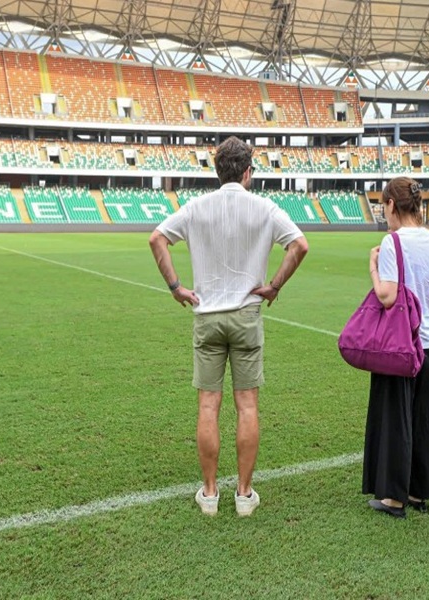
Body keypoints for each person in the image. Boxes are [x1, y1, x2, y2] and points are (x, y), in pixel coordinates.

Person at [148, 136, 309, 517]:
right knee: (247, 405)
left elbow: (157, 239)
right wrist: (274, 286)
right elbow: (299, 246)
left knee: (208, 404)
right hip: (246, 315)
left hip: (207, 314)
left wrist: (176, 288)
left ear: (217, 170)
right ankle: (243, 493)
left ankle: (208, 494)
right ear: (248, 171)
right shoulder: (265, 208)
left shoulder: (196, 207)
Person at [362, 177, 429, 519]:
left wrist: (372, 266)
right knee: (425, 419)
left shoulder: (392, 242)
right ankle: (419, 490)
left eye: (384, 206)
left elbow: (387, 295)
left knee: (395, 417)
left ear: (392, 206)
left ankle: (393, 497)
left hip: (400, 345)